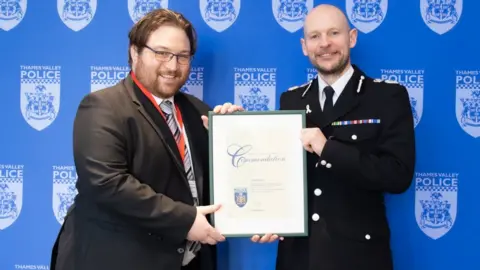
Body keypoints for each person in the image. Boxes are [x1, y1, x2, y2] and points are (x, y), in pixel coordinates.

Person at [49, 8, 243, 270]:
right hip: (119, 260)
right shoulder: (102, 106)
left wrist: (234, 135)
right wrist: (184, 220)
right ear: (134, 52)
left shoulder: (200, 112)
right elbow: (107, 184)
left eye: (182, 56)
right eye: (161, 53)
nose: (172, 66)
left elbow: (224, 183)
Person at [251, 4, 416, 270]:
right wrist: (268, 217)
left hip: (358, 257)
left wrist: (328, 149)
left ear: (351, 37)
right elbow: (279, 173)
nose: (325, 44)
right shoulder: (291, 99)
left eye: (334, 33)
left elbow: (398, 175)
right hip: (298, 257)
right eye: (315, 36)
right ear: (304, 46)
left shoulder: (387, 97)